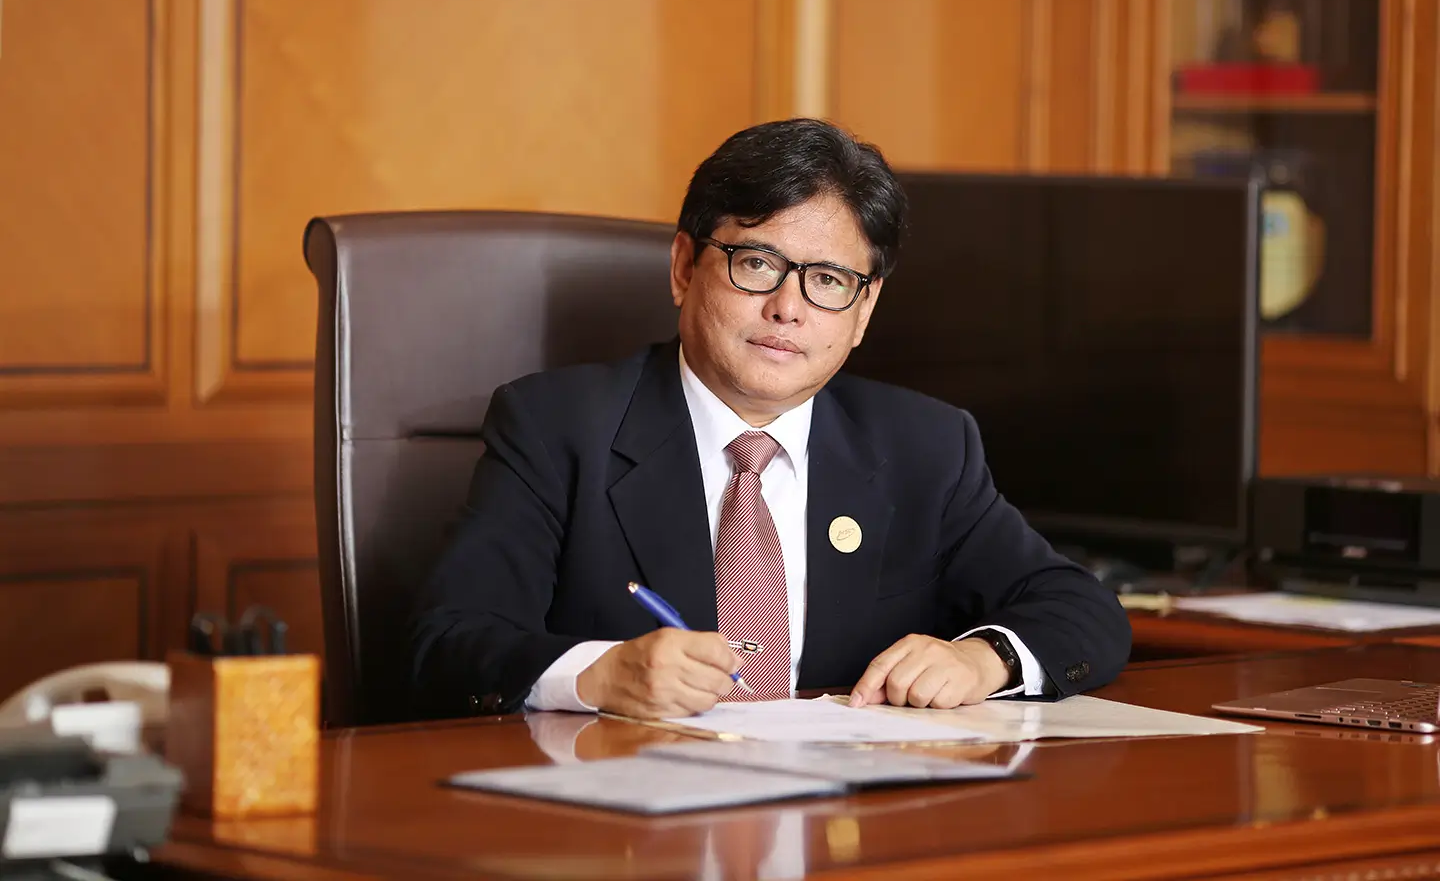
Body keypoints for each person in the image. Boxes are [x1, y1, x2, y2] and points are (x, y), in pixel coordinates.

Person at [410, 118, 1131, 720]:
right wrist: (598, 675)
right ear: (684, 267)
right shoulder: (558, 427)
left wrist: (984, 658)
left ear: (863, 311)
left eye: (829, 281)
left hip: (843, 820)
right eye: (757, 263)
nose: (789, 308)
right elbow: (450, 641)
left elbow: (1083, 610)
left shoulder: (924, 446)